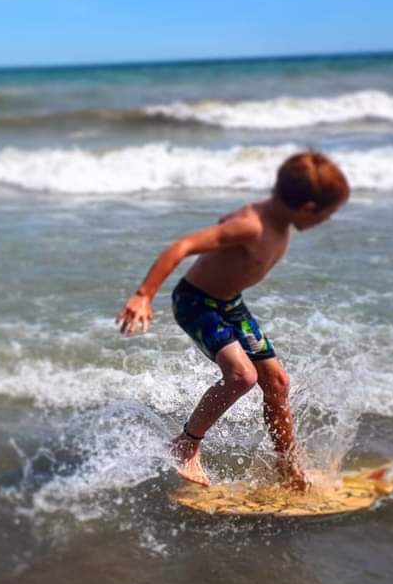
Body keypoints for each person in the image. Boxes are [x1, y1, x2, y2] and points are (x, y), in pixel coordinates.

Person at [117, 150, 350, 490]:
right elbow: (180, 247)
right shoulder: (251, 225)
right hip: (196, 304)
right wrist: (144, 294)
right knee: (242, 376)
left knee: (278, 384)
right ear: (309, 208)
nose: (325, 221)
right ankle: (186, 444)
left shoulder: (274, 219)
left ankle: (288, 468)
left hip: (230, 305)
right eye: (327, 214)